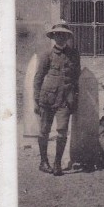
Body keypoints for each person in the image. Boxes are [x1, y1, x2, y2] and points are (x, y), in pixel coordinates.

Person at [34, 22, 81, 176]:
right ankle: (43, 161)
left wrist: (74, 99)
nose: (61, 37)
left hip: (65, 100)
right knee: (44, 131)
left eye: (64, 35)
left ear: (68, 37)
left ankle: (57, 163)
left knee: (62, 132)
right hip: (47, 99)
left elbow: (76, 78)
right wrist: (36, 101)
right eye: (57, 34)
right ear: (53, 37)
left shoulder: (74, 54)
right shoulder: (46, 55)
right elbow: (38, 78)